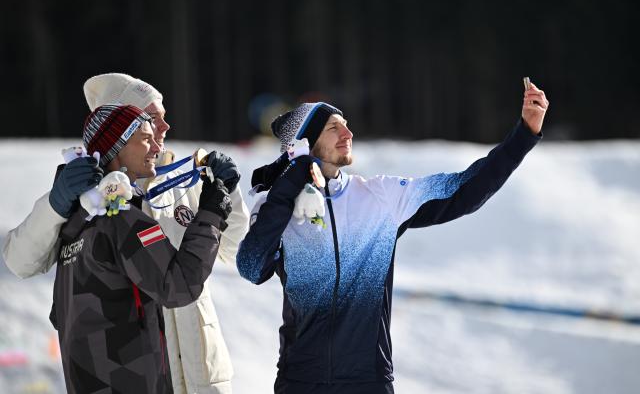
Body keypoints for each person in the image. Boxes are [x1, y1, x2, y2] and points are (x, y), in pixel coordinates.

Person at [237, 83, 550, 393]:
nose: (348, 134)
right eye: (334, 128)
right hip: (301, 382)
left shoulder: (379, 197)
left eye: (346, 126)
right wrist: (289, 187)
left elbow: (464, 190)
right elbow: (252, 267)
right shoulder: (273, 206)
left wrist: (523, 135)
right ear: (305, 144)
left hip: (368, 382)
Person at [2, 73, 249, 393]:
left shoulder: (183, 179)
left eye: (164, 117)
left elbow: (233, 247)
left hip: (201, 372)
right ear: (124, 126)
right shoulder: (83, 192)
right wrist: (55, 203)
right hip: (135, 373)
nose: (165, 127)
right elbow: (20, 261)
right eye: (152, 118)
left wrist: (228, 191)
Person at [52, 104, 233, 393]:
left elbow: (59, 315)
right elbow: (179, 286)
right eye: (145, 139)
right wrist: (213, 212)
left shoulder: (76, 222)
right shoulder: (120, 219)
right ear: (117, 146)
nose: (155, 147)